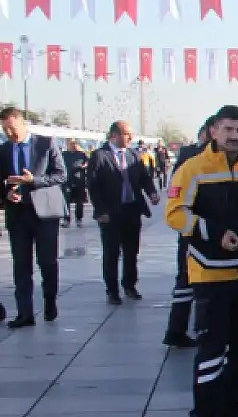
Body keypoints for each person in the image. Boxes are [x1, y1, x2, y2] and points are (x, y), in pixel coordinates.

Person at [166, 105, 238, 417]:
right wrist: (212, 232)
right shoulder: (192, 169)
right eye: (228, 129)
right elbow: (175, 214)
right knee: (212, 347)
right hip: (210, 274)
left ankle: (230, 407)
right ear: (213, 131)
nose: (235, 136)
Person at [0, 107, 67, 326]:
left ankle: (49, 301)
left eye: (12, 128)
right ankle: (25, 313)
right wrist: (7, 193)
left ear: (23, 123)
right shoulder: (3, 151)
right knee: (21, 265)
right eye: (5, 129)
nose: (10, 133)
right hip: (18, 215)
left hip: (44, 213)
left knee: (47, 261)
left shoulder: (45, 144)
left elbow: (60, 175)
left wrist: (34, 181)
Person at [88, 120, 161, 305]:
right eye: (126, 134)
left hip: (132, 210)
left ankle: (130, 285)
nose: (130, 138)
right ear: (114, 135)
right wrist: (100, 211)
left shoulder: (134, 155)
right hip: (110, 213)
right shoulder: (99, 156)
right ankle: (112, 290)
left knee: (131, 251)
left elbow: (144, 178)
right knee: (111, 252)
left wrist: (152, 192)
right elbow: (93, 186)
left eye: (131, 134)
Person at [162, 118, 213, 348]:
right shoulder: (197, 158)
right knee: (194, 280)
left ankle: (178, 328)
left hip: (190, 227)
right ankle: (193, 329)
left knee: (185, 280)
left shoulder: (187, 155)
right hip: (199, 227)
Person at [62, 139, 89, 227]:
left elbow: (89, 162)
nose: (73, 145)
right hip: (67, 181)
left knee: (79, 202)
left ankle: (79, 219)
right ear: (67, 144)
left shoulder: (81, 154)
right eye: (71, 143)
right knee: (66, 201)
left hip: (79, 181)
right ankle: (66, 220)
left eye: (74, 143)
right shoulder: (64, 154)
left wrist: (84, 165)